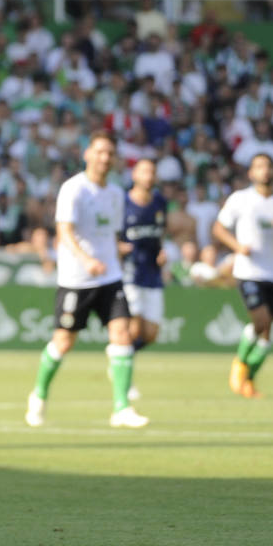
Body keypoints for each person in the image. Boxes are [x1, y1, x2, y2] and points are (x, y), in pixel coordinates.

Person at [25, 131, 149, 428]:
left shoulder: (117, 193)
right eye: (100, 152)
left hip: (110, 277)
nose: (105, 158)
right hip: (76, 279)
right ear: (87, 154)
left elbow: (111, 234)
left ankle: (121, 408)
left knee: (122, 334)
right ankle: (39, 394)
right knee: (64, 341)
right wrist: (85, 259)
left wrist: (119, 251)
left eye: (109, 153)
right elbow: (64, 231)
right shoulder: (74, 189)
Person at [211, 152, 273, 398]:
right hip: (248, 271)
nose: (264, 171)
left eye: (268, 166)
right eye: (259, 166)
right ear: (251, 173)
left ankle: (249, 381)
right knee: (261, 321)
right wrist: (237, 246)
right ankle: (240, 364)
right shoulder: (241, 199)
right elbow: (219, 228)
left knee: (266, 334)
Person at [118, 157, 168, 401]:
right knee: (133, 328)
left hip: (153, 274)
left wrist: (162, 253)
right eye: (144, 171)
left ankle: (119, 358)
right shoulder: (123, 203)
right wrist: (118, 248)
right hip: (130, 273)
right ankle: (124, 379)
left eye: (152, 171)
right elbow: (113, 236)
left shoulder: (160, 202)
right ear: (135, 175)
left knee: (151, 334)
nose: (148, 176)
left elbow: (160, 234)